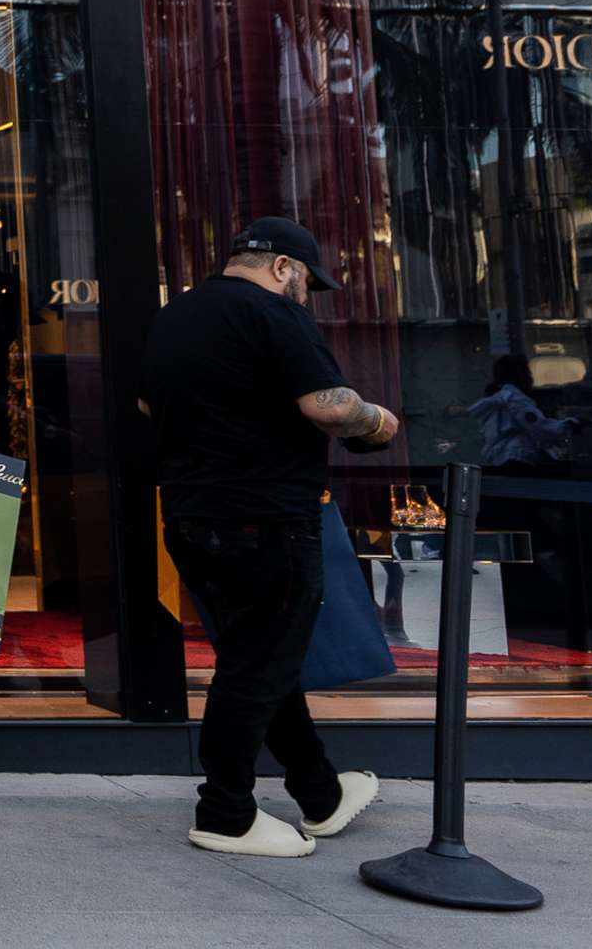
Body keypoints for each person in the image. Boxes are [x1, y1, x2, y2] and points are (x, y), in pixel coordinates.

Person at [139, 217, 398, 858]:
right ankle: (225, 812)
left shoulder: (175, 317)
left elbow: (146, 406)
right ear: (282, 267)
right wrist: (379, 421)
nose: (305, 295)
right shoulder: (273, 313)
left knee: (262, 659)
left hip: (189, 516)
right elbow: (329, 406)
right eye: (306, 282)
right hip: (267, 518)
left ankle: (321, 793)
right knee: (254, 668)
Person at [471, 355, 577, 467]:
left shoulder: (497, 397)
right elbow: (538, 427)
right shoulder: (514, 398)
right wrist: (570, 425)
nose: (530, 376)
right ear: (520, 374)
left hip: (499, 458)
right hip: (516, 458)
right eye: (527, 372)